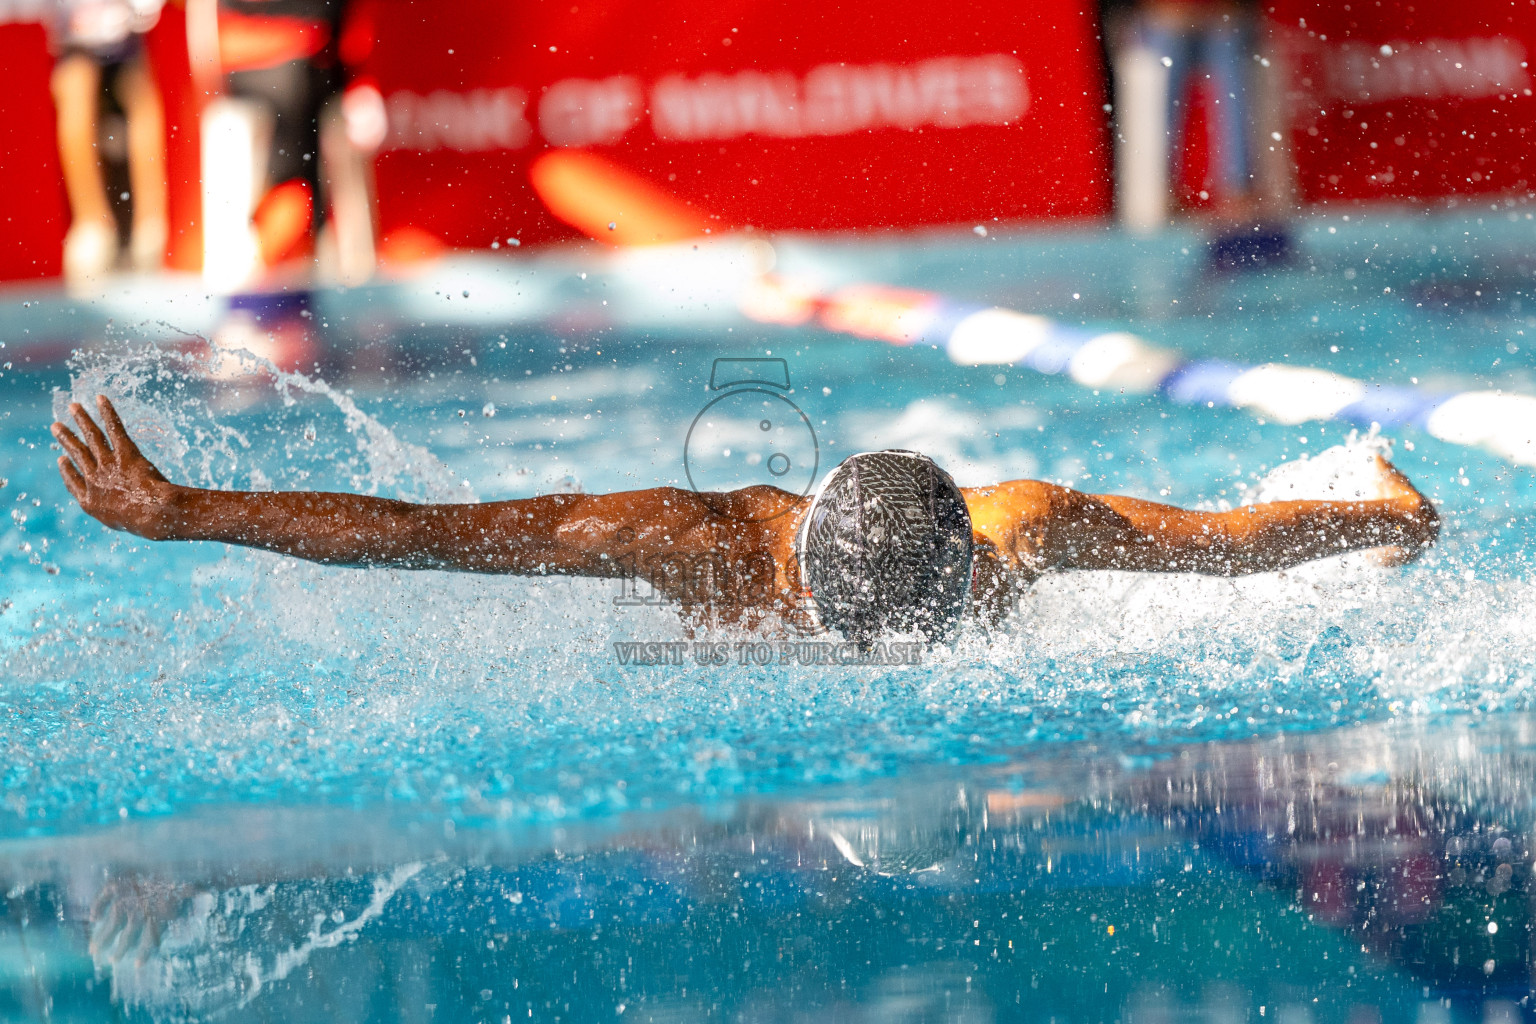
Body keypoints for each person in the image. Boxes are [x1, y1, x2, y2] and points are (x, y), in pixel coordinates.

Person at [52, 395, 1440, 644]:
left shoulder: (1017, 529)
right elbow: (430, 529)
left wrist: (1377, 516)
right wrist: (184, 510)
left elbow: (1220, 541)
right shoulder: (689, 542)